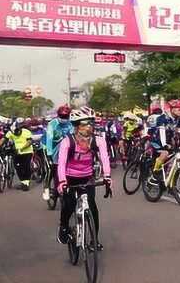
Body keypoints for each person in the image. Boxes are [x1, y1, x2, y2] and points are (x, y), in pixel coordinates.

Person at [56, 106, 112, 250]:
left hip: (87, 177)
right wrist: (62, 182)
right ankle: (63, 227)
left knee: (93, 207)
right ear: (76, 126)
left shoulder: (98, 140)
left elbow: (105, 159)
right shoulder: (67, 141)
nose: (89, 127)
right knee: (68, 205)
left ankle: (94, 240)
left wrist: (107, 177)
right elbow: (61, 163)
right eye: (85, 123)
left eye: (91, 123)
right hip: (69, 178)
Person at [148, 99, 180, 185]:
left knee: (174, 156)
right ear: (172, 109)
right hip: (157, 141)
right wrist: (164, 144)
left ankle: (170, 184)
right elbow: (162, 132)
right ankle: (155, 174)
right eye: (179, 109)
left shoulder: (179, 119)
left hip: (168, 141)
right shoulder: (162, 118)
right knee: (165, 153)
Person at [44, 106, 74, 200]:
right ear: (58, 115)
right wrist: (49, 155)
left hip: (65, 148)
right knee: (51, 168)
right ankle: (46, 189)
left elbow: (74, 137)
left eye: (66, 116)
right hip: (51, 149)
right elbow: (49, 140)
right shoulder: (52, 124)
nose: (64, 118)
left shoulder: (71, 123)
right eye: (62, 116)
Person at [0, 119, 34, 190]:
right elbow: (3, 139)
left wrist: (22, 148)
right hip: (17, 152)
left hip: (27, 152)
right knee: (18, 167)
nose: (16, 134)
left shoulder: (26, 132)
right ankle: (23, 182)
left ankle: (26, 183)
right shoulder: (10, 132)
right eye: (14, 133)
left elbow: (29, 142)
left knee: (26, 167)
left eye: (17, 133)